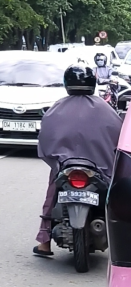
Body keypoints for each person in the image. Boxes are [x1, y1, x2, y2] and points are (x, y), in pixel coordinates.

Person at [33, 62, 122, 257]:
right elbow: (118, 138)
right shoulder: (105, 109)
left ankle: (44, 242)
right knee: (117, 195)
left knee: (52, 194)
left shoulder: (55, 109)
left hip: (65, 167)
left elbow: (45, 139)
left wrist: (57, 161)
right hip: (100, 169)